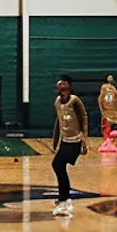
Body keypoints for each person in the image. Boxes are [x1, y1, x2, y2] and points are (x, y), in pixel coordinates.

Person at [51, 74, 89, 217]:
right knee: (58, 165)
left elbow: (83, 117)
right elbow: (58, 121)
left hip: (75, 140)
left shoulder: (75, 101)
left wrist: (84, 138)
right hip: (65, 140)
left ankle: (65, 199)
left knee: (59, 165)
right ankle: (64, 198)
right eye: (59, 83)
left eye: (64, 83)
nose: (61, 85)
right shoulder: (57, 102)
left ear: (69, 85)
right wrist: (55, 141)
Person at [97, 74, 117, 153]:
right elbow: (100, 99)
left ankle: (110, 142)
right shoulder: (104, 87)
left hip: (112, 111)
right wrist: (101, 109)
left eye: (111, 77)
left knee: (111, 127)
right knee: (105, 127)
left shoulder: (114, 90)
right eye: (109, 77)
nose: (110, 78)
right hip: (105, 110)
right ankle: (106, 142)